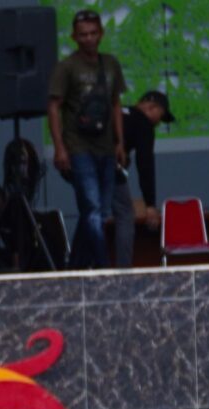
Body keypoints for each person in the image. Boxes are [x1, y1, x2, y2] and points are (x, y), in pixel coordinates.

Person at [47, 8, 127, 269]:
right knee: (92, 209)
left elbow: (116, 104)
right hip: (78, 147)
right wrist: (59, 147)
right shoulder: (66, 67)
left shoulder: (111, 63)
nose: (89, 38)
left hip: (106, 146)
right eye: (83, 34)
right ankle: (104, 268)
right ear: (74, 37)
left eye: (93, 33)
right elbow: (53, 107)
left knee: (99, 212)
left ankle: (75, 268)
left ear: (101, 34)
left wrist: (120, 142)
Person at [121, 89, 173, 261]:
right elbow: (145, 164)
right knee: (124, 214)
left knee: (91, 214)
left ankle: (78, 263)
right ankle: (122, 268)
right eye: (160, 116)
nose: (158, 123)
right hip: (108, 169)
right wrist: (150, 204)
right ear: (151, 107)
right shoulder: (143, 123)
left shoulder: (120, 112)